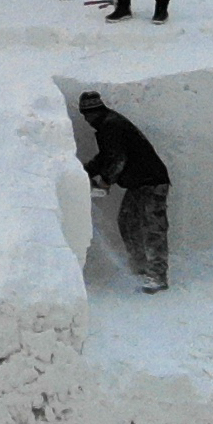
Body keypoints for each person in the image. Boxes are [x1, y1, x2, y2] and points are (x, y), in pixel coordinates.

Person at [78, 91, 169, 291]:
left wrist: (105, 183)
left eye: (86, 116)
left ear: (92, 112)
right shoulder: (108, 125)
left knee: (153, 227)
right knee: (128, 223)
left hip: (152, 182)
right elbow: (105, 157)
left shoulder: (111, 126)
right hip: (138, 184)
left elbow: (117, 159)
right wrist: (82, 172)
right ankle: (140, 268)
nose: (86, 120)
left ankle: (157, 276)